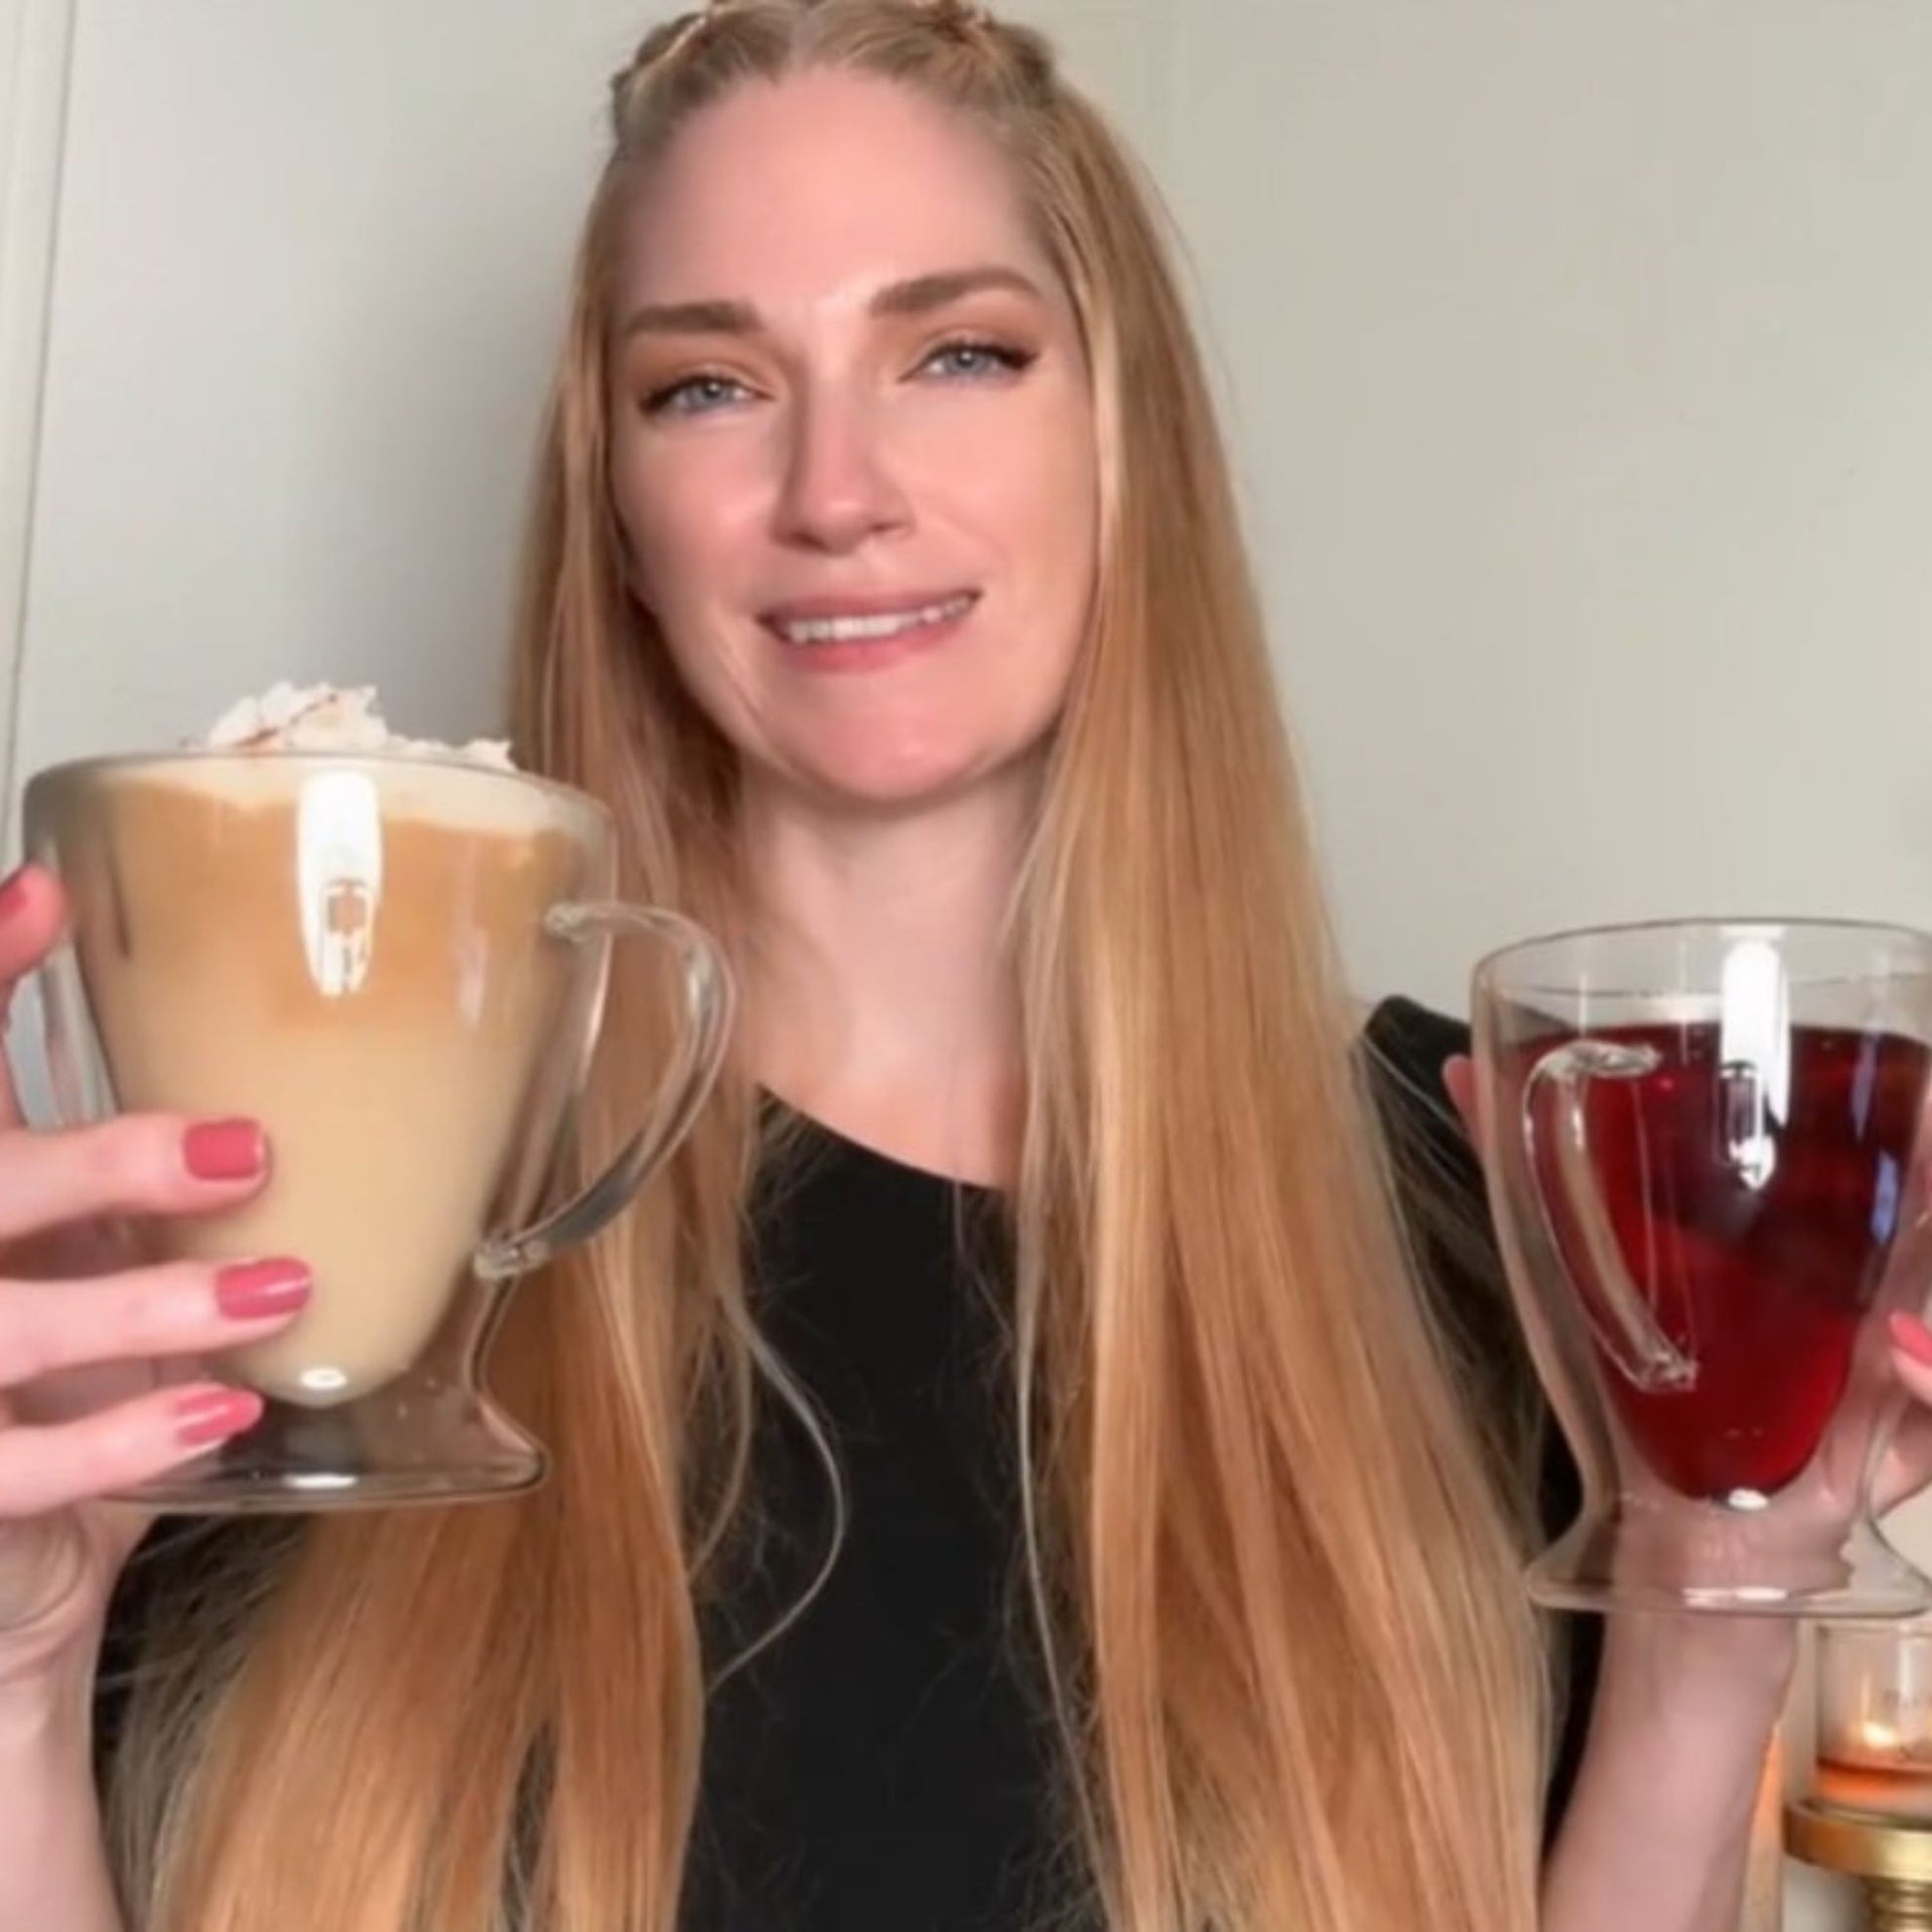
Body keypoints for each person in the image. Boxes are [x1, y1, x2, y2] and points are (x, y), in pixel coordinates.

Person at [7, 3, 1932, 1928]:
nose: (835, 489)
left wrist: (1711, 1582)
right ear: (618, 514)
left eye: (956, 353)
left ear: (1124, 436)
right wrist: (16, 1672)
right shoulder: (304, 1231)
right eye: (706, 385)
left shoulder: (1499, 1200)